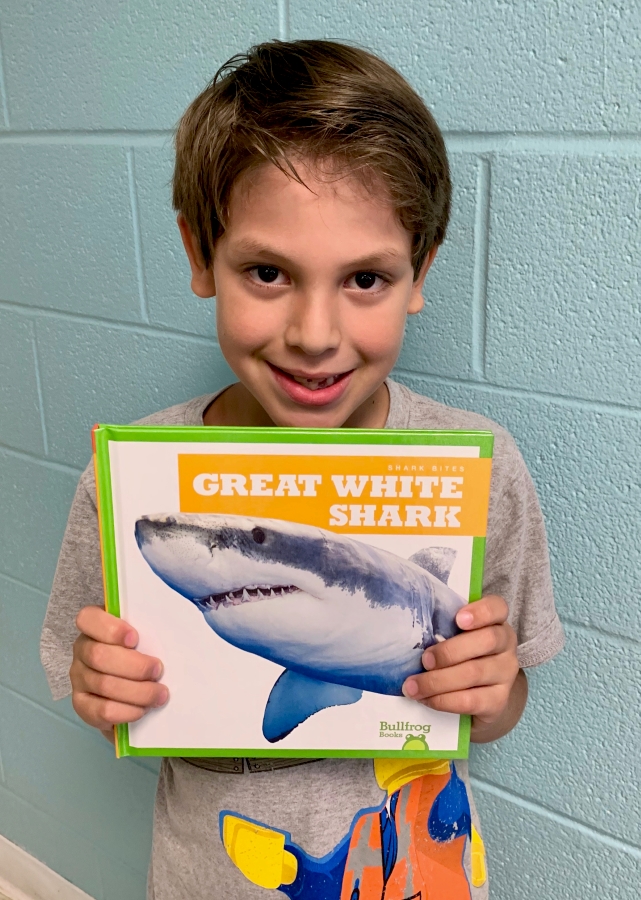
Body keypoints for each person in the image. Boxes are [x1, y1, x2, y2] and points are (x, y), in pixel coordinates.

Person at [40, 40, 564, 900]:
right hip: (201, 874)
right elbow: (110, 703)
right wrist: (106, 698)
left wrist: (493, 690)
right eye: (268, 271)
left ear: (418, 274)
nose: (315, 334)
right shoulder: (129, 476)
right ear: (200, 255)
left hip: (411, 869)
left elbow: (500, 707)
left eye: (364, 277)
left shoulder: (480, 466)